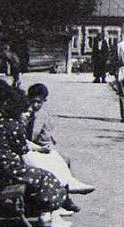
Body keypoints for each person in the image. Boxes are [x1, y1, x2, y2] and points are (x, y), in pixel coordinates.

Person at [0, 78, 72, 226]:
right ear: (17, 110)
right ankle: (48, 217)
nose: (27, 113)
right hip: (11, 172)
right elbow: (26, 156)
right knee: (47, 177)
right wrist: (40, 167)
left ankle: (50, 212)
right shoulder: (14, 127)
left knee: (43, 174)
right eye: (25, 111)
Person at [24, 83, 95, 212]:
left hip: (40, 146)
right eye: (33, 101)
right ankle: (64, 198)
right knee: (61, 161)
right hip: (33, 148)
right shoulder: (27, 112)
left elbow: (44, 135)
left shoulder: (41, 114)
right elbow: (31, 136)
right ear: (28, 98)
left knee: (65, 160)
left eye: (39, 102)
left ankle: (63, 196)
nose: (35, 105)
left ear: (44, 101)